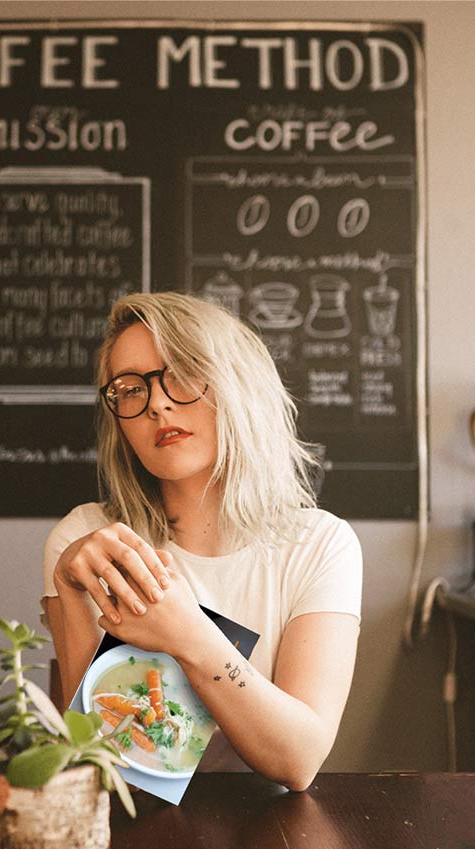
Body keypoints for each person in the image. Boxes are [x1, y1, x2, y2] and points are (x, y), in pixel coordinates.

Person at [41, 292, 361, 791]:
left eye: (181, 372)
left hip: (273, 835)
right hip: (131, 830)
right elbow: (101, 762)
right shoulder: (87, 543)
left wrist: (188, 634)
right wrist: (71, 590)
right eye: (130, 389)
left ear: (238, 386)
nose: (158, 403)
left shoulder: (321, 544)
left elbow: (299, 761)